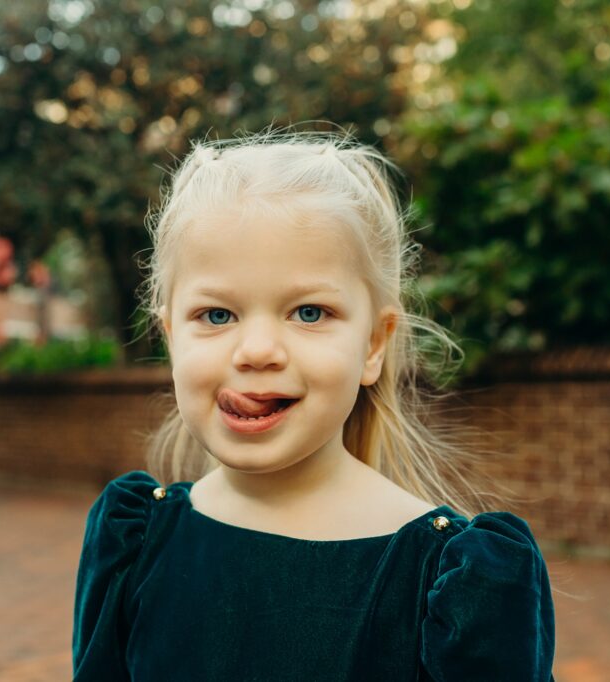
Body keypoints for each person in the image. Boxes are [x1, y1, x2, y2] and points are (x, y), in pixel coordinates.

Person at [72, 128, 556, 681]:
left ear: (374, 344)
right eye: (216, 315)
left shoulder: (454, 584)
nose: (256, 351)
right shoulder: (133, 543)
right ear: (170, 338)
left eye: (308, 312)